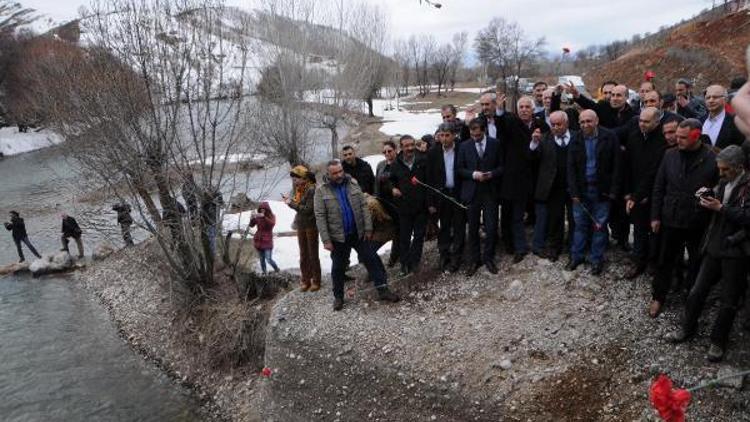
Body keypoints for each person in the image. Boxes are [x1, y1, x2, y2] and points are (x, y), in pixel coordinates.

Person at [666, 145, 750, 362]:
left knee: (728, 300)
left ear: (739, 167)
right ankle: (687, 327)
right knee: (697, 291)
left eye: (725, 170)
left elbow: (746, 217)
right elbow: (718, 203)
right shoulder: (723, 182)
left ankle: (717, 341)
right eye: (719, 169)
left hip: (736, 252)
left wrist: (720, 208)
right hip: (714, 246)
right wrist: (707, 196)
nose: (720, 174)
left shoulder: (747, 186)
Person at [650, 119, 718, 317]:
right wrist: (655, 216)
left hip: (698, 221)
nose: (675, 139)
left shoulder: (713, 158)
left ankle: (692, 295)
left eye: (682, 137)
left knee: (696, 260)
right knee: (665, 260)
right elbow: (659, 186)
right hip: (671, 218)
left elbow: (720, 189)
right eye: (676, 135)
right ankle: (658, 296)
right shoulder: (669, 155)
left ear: (696, 136)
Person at [314, 159, 399, 311]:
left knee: (371, 258)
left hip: (358, 233)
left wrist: (368, 228)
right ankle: (338, 297)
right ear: (328, 174)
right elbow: (320, 216)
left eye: (340, 171)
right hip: (338, 237)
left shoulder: (353, 184)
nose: (339, 175)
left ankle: (383, 289)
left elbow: (363, 207)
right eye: (335, 173)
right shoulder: (321, 191)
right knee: (338, 268)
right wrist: (326, 240)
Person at [567, 110, 622, 275]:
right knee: (579, 226)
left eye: (589, 121)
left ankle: (596, 259)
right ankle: (576, 256)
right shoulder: (575, 139)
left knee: (599, 226)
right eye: (582, 122)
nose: (585, 125)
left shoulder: (609, 137)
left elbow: (617, 166)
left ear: (596, 120)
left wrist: (613, 191)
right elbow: (570, 168)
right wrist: (574, 192)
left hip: (602, 191)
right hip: (581, 191)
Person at [496, 94, 550, 263]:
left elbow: (547, 147)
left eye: (528, 107)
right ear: (517, 110)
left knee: (541, 213)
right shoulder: (512, 123)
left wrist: (536, 144)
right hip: (516, 178)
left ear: (533, 109)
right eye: (521, 107)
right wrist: (499, 110)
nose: (524, 110)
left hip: (538, 177)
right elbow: (501, 125)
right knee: (517, 216)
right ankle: (520, 247)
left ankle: (538, 245)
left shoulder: (541, 125)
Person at [622, 107, 668, 279]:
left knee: (655, 230)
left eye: (646, 121)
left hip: (654, 193)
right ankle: (638, 261)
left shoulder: (662, 141)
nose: (642, 124)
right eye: (640, 120)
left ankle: (654, 262)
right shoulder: (634, 137)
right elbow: (627, 166)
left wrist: (638, 195)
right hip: (636, 193)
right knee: (639, 229)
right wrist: (628, 193)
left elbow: (654, 171)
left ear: (657, 122)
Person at [457, 118, 503, 276]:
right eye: (472, 134)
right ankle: (474, 260)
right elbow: (459, 169)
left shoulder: (495, 144)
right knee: (473, 228)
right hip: (472, 193)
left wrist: (491, 174)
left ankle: (489, 258)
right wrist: (473, 174)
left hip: (490, 192)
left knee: (491, 228)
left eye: (478, 135)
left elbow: (502, 167)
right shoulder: (464, 146)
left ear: (484, 131)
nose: (475, 137)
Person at [530, 111, 576, 261]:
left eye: (559, 124)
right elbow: (533, 160)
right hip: (553, 187)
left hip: (573, 186)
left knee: (574, 218)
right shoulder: (544, 139)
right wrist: (534, 145)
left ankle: (573, 247)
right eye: (553, 125)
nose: (555, 128)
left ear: (567, 123)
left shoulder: (577, 137)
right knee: (555, 219)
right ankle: (555, 247)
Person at [426, 123, 464, 272]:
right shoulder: (433, 153)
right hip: (442, 195)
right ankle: (444, 254)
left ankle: (457, 256)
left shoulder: (462, 148)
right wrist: (430, 201)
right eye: (441, 135)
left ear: (453, 135)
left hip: (458, 193)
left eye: (447, 135)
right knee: (445, 226)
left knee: (459, 225)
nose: (444, 139)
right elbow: (429, 178)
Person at [389, 135, 429, 275]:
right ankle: (404, 264)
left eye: (412, 144)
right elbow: (390, 181)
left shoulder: (423, 160)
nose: (410, 148)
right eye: (406, 146)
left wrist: (429, 203)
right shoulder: (395, 164)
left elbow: (429, 182)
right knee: (404, 237)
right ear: (401, 147)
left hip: (421, 207)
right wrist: (393, 188)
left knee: (419, 236)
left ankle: (415, 262)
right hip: (404, 208)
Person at [283, 165, 321, 292]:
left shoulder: (312, 189)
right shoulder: (299, 189)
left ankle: (316, 280)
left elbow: (307, 210)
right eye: (293, 178)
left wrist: (291, 204)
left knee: (312, 254)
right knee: (303, 254)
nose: (294, 181)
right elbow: (299, 205)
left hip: (311, 225)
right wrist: (291, 201)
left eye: (296, 178)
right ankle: (305, 280)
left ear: (304, 177)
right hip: (301, 225)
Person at [374, 140, 400, 267]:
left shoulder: (400, 164)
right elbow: (376, 183)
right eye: (384, 152)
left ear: (395, 150)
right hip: (383, 202)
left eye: (389, 151)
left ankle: (394, 257)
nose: (387, 154)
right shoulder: (380, 165)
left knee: (399, 232)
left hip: (398, 204)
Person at [701, 84, 745, 150]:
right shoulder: (700, 121)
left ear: (725, 100)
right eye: (708, 98)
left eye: (715, 97)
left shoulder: (735, 123)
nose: (711, 101)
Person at [249, 202, 280, 274]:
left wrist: (264, 217)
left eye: (264, 209)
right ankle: (264, 272)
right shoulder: (258, 217)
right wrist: (252, 218)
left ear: (267, 209)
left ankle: (276, 269)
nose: (262, 211)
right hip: (259, 241)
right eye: (261, 209)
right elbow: (251, 225)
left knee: (268, 259)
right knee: (261, 259)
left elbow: (272, 224)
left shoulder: (272, 216)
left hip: (267, 241)